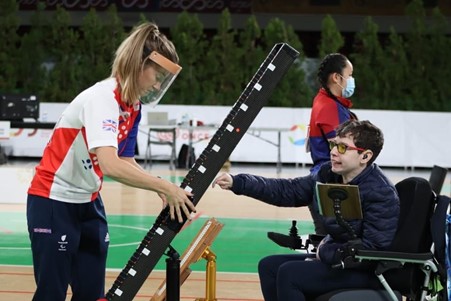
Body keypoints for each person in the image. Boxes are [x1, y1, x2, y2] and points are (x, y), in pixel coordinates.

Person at [26, 22, 196, 301]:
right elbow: (111, 165)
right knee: (51, 294)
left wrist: (160, 188)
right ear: (139, 63)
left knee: (93, 295)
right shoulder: (102, 98)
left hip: (89, 202)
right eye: (157, 75)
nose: (157, 84)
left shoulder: (133, 106)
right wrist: (166, 187)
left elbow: (125, 159)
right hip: (52, 201)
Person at [212, 120, 399, 301]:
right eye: (334, 144)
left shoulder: (380, 193)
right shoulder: (328, 175)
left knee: (289, 274)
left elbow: (372, 250)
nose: (333, 152)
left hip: (368, 271)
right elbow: (288, 190)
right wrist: (239, 183)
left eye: (342, 148)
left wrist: (325, 252)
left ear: (365, 156)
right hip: (339, 259)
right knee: (268, 266)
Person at [307, 53, 358, 234]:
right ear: (337, 77)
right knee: (332, 246)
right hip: (331, 185)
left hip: (326, 181)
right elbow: (347, 152)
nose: (352, 79)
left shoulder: (325, 101)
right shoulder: (329, 107)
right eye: (350, 75)